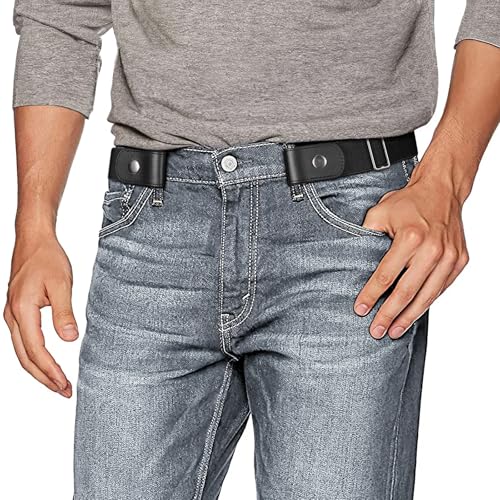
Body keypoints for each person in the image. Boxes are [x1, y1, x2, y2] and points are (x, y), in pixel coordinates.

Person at [5, 0, 499, 498]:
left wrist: (447, 177)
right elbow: (60, 12)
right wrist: (34, 225)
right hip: (152, 226)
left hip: (347, 226)